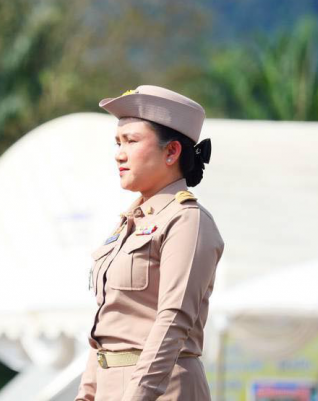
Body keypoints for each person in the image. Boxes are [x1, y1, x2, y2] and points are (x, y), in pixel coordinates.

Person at [75, 85, 225, 401]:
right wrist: (86, 395)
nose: (119, 153)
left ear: (171, 152)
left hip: (163, 389)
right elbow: (106, 325)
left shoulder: (186, 220)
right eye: (118, 142)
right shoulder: (128, 225)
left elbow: (173, 321)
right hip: (113, 388)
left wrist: (136, 396)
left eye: (131, 141)